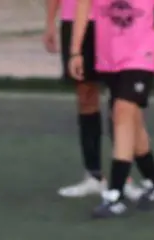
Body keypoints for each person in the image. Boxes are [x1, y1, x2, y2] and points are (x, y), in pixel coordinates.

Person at [71, 0, 154, 218]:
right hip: (109, 55)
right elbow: (83, 5)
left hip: (142, 53)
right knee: (131, 120)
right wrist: (75, 50)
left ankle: (115, 194)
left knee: (122, 111)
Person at [46, 0, 145, 201]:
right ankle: (93, 174)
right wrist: (49, 22)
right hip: (73, 19)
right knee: (85, 95)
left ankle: (122, 178)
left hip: (113, 18)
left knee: (120, 99)